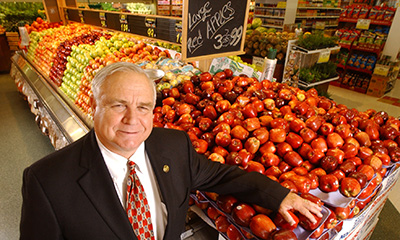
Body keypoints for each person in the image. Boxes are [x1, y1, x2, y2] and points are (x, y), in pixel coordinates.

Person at [20, 62, 322, 240]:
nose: (132, 120)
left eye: (143, 107)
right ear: (94, 107)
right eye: (118, 105)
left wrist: (280, 195)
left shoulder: (173, 146)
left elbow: (224, 177)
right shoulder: (47, 181)